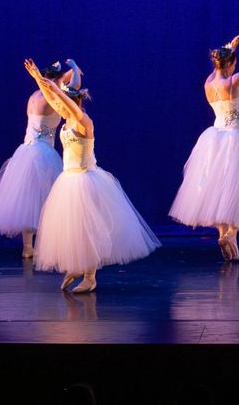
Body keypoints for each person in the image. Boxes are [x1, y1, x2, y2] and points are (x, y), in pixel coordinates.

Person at [25, 59, 159, 293]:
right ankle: (78, 267)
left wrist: (56, 87)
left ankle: (90, 277)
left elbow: (69, 105)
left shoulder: (84, 121)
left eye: (65, 101)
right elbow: (55, 101)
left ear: (74, 101)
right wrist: (38, 78)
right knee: (74, 229)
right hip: (68, 180)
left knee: (88, 229)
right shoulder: (67, 119)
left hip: (86, 181)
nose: (60, 105)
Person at [170, 33, 239, 260]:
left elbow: (217, 68)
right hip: (236, 137)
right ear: (231, 64)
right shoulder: (232, 82)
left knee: (221, 188)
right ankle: (231, 232)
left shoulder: (209, 83)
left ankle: (225, 234)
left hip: (215, 137)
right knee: (238, 186)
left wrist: (231, 46)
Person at [0, 59, 77, 257]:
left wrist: (69, 71)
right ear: (54, 82)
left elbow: (65, 82)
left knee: (28, 201)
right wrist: (74, 69)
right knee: (47, 201)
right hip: (42, 154)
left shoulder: (34, 96)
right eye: (59, 82)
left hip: (25, 150)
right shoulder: (49, 99)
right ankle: (46, 245)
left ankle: (27, 247)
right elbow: (73, 87)